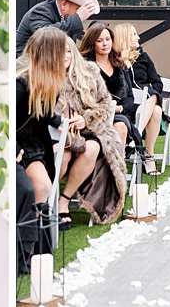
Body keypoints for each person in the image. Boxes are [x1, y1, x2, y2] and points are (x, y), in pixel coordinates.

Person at [15, 27, 96, 233]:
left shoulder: (48, 81)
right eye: (63, 51)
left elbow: (45, 113)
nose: (68, 56)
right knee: (35, 188)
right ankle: (28, 246)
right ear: (50, 54)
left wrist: (63, 122)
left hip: (34, 146)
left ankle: (36, 244)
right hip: (19, 146)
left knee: (43, 187)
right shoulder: (20, 83)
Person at [58, 37, 127, 224]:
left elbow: (106, 104)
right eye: (59, 51)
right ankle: (44, 203)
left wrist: (85, 119)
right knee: (62, 155)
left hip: (89, 132)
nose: (65, 56)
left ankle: (63, 201)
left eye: (68, 51)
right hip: (56, 132)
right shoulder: (44, 75)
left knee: (92, 149)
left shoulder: (89, 72)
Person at [113, 24, 164, 175]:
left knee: (154, 103)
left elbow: (157, 83)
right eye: (134, 34)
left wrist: (148, 93)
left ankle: (137, 142)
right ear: (125, 38)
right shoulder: (115, 61)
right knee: (156, 109)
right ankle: (148, 157)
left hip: (148, 100)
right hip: (130, 105)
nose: (138, 37)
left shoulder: (143, 57)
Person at [79, 22, 137, 151]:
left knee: (120, 126)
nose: (105, 44)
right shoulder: (85, 66)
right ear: (92, 43)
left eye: (107, 39)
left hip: (119, 114)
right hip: (93, 114)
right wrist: (105, 109)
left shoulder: (120, 64)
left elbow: (130, 97)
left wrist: (119, 108)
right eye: (99, 41)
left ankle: (118, 167)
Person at [15, 0, 101, 57]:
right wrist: (78, 17)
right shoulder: (40, 11)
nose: (81, 13)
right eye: (78, 9)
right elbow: (47, 36)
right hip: (28, 67)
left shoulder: (70, 20)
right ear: (64, 4)